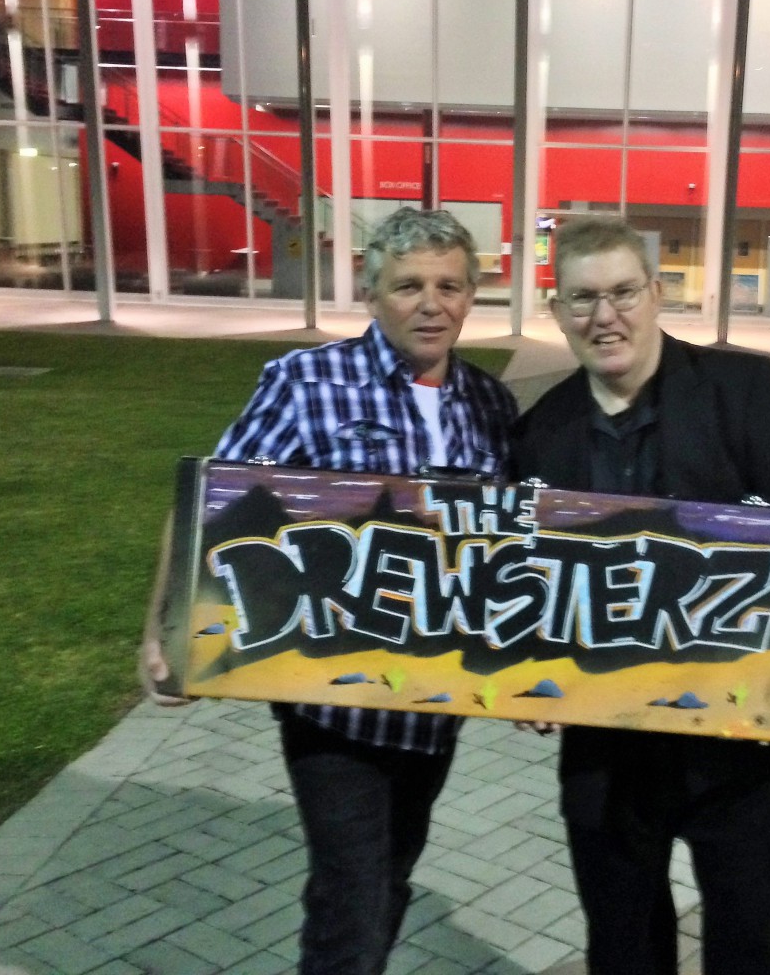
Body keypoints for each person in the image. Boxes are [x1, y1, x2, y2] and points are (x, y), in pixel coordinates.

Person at [140, 207, 518, 975]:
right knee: (352, 892)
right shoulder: (307, 383)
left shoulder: (491, 404)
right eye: (408, 286)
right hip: (331, 701)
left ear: (472, 296)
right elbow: (211, 502)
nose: (431, 304)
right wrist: (164, 631)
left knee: (390, 877)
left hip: (433, 705)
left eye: (449, 286)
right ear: (372, 293)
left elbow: (512, 548)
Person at [510, 215, 770, 975]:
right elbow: (522, 580)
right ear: (558, 309)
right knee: (623, 945)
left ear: (656, 294)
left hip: (733, 739)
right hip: (605, 745)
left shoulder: (740, 391)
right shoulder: (539, 432)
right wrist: (520, 676)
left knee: (754, 943)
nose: (605, 316)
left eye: (623, 292)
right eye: (582, 298)